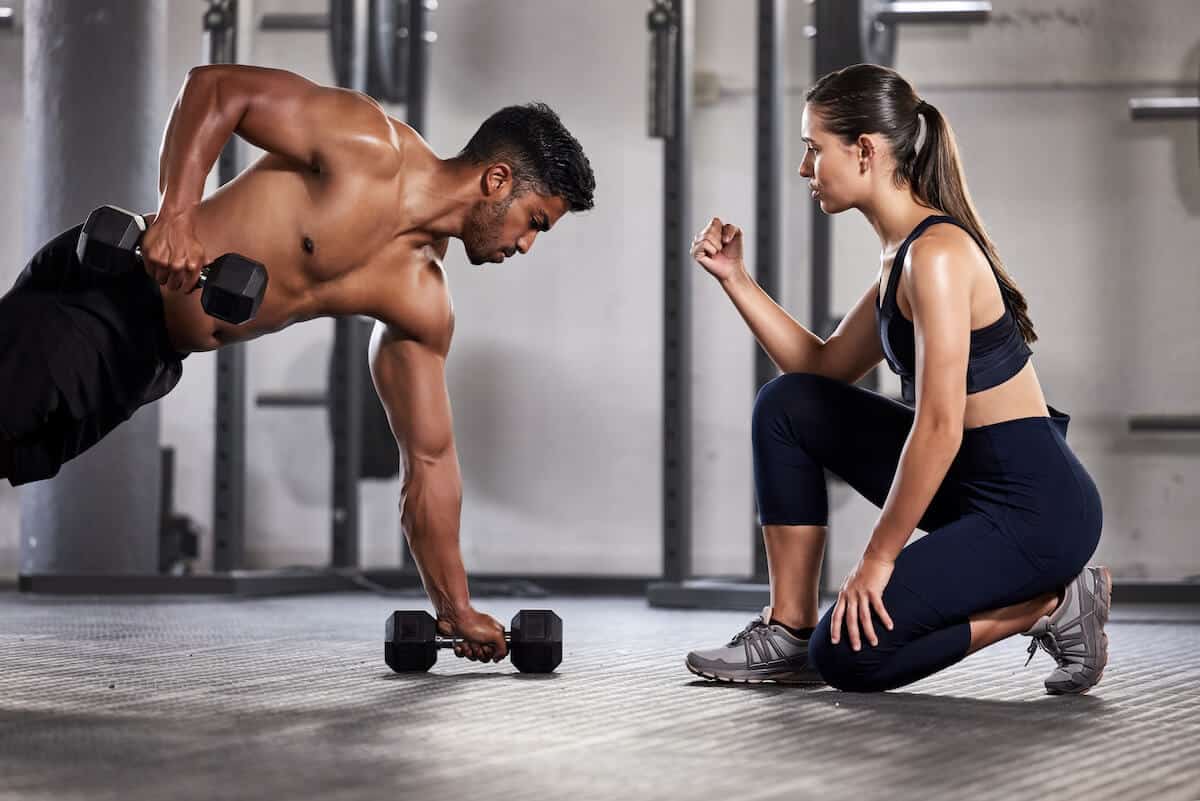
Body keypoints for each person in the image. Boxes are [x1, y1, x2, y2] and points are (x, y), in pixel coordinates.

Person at [0, 65, 596, 665]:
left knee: (20, 451)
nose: (525, 246)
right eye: (534, 223)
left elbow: (430, 462)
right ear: (498, 179)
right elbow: (214, 89)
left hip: (148, 357)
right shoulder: (367, 146)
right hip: (108, 289)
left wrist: (455, 608)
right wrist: (176, 214)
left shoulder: (420, 299)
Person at [683, 63, 1107, 694]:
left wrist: (878, 559)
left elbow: (938, 426)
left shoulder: (936, 255)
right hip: (971, 486)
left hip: (1034, 510)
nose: (805, 170)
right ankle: (787, 633)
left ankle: (1051, 602)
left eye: (812, 149)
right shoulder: (900, 257)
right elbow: (821, 369)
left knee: (850, 658)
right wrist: (737, 280)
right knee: (787, 404)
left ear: (863, 151)